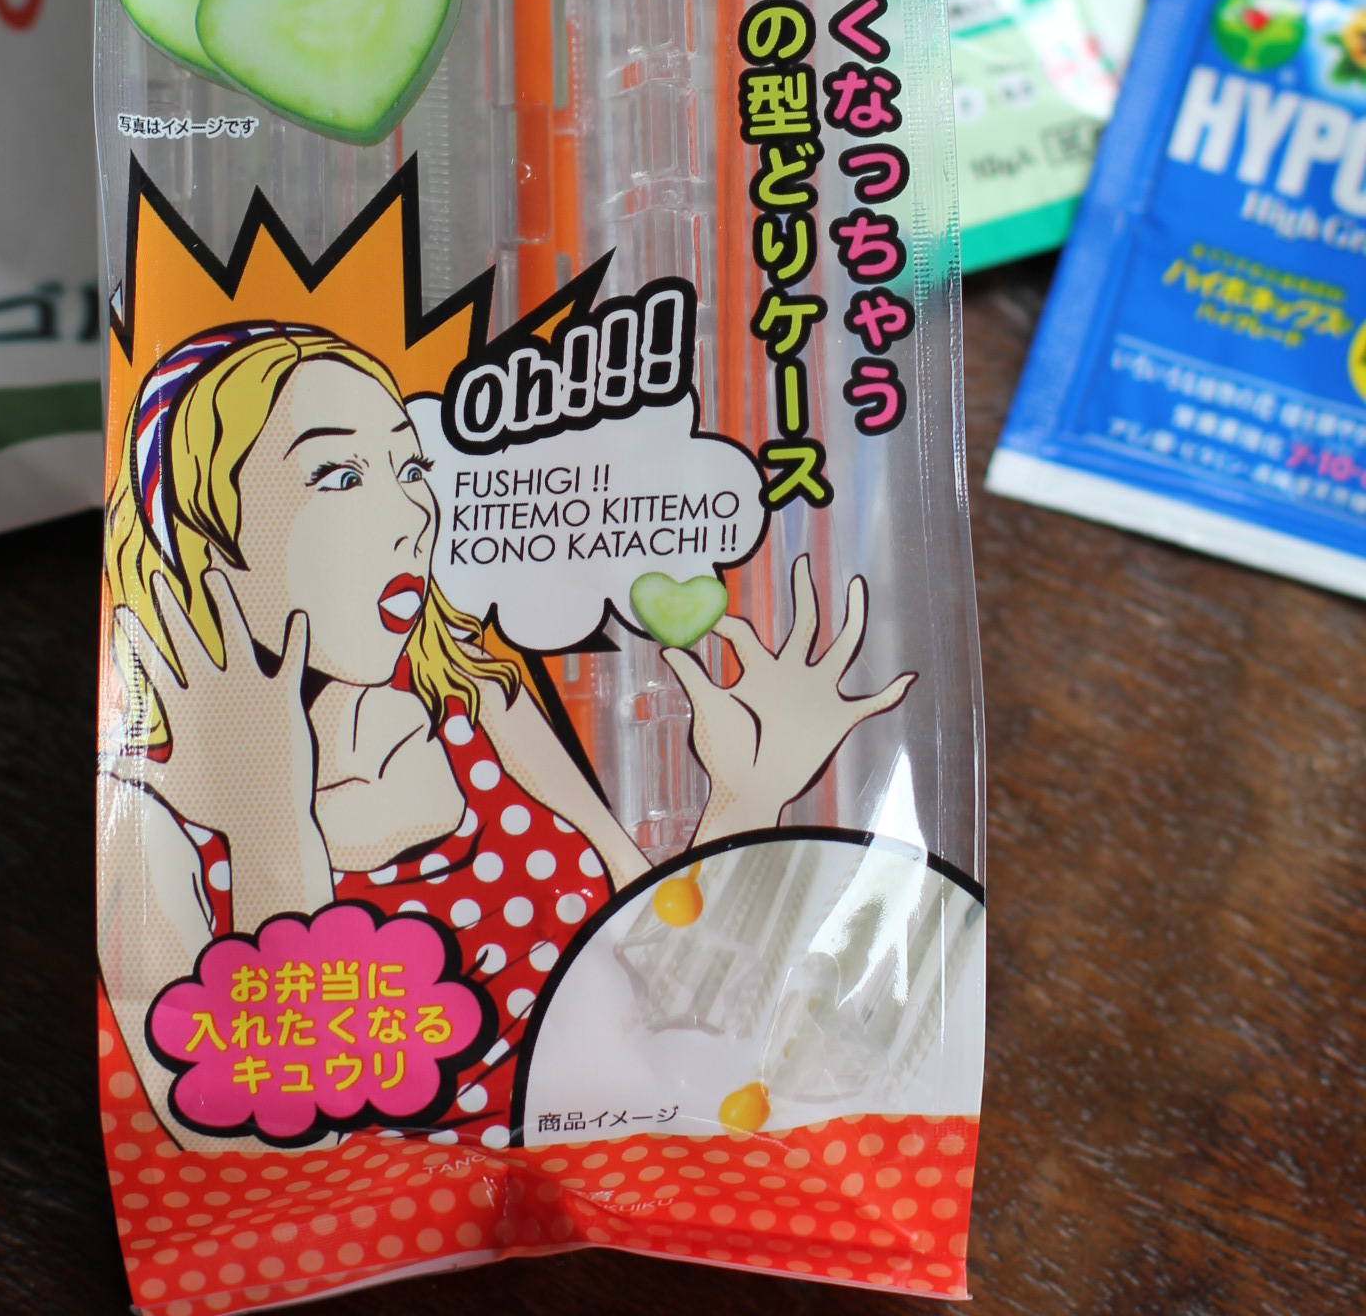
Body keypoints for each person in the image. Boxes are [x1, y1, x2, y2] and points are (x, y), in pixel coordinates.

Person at [99, 321, 911, 1146]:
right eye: (338, 475)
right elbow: (246, 1153)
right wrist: (272, 823)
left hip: (628, 1172)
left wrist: (746, 799)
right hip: (407, 1222)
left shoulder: (473, 700)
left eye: (410, 469)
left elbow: (676, 981)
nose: (411, 517)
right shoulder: (149, 813)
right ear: (202, 539)